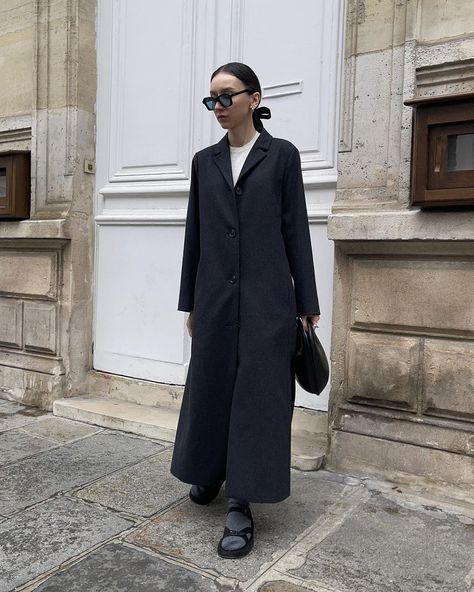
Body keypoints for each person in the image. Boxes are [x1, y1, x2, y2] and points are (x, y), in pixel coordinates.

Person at [170, 62, 320, 559]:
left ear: (254, 99)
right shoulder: (203, 161)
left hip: (267, 299)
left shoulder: (282, 157)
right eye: (211, 98)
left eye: (226, 96)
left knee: (257, 396)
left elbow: (296, 229)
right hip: (215, 297)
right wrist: (190, 301)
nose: (218, 106)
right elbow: (196, 234)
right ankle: (208, 470)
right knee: (211, 386)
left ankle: (240, 500)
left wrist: (307, 303)